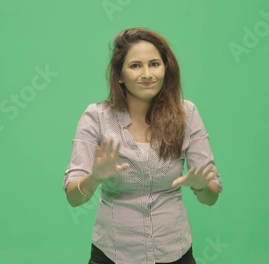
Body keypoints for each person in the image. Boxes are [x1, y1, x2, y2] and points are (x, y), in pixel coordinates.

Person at [63, 27, 223, 264]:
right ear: (120, 74)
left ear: (166, 69)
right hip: (113, 254)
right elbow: (73, 198)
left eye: (154, 64)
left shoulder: (187, 113)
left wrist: (201, 187)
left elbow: (211, 197)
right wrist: (95, 177)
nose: (147, 74)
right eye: (135, 65)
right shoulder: (96, 117)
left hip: (174, 252)